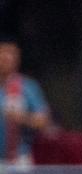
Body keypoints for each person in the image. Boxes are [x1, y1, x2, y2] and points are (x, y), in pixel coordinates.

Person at [0, 36, 50, 164]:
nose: (6, 58)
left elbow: (43, 121)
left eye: (11, 53)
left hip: (19, 158)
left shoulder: (28, 87)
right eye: (2, 52)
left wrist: (22, 118)